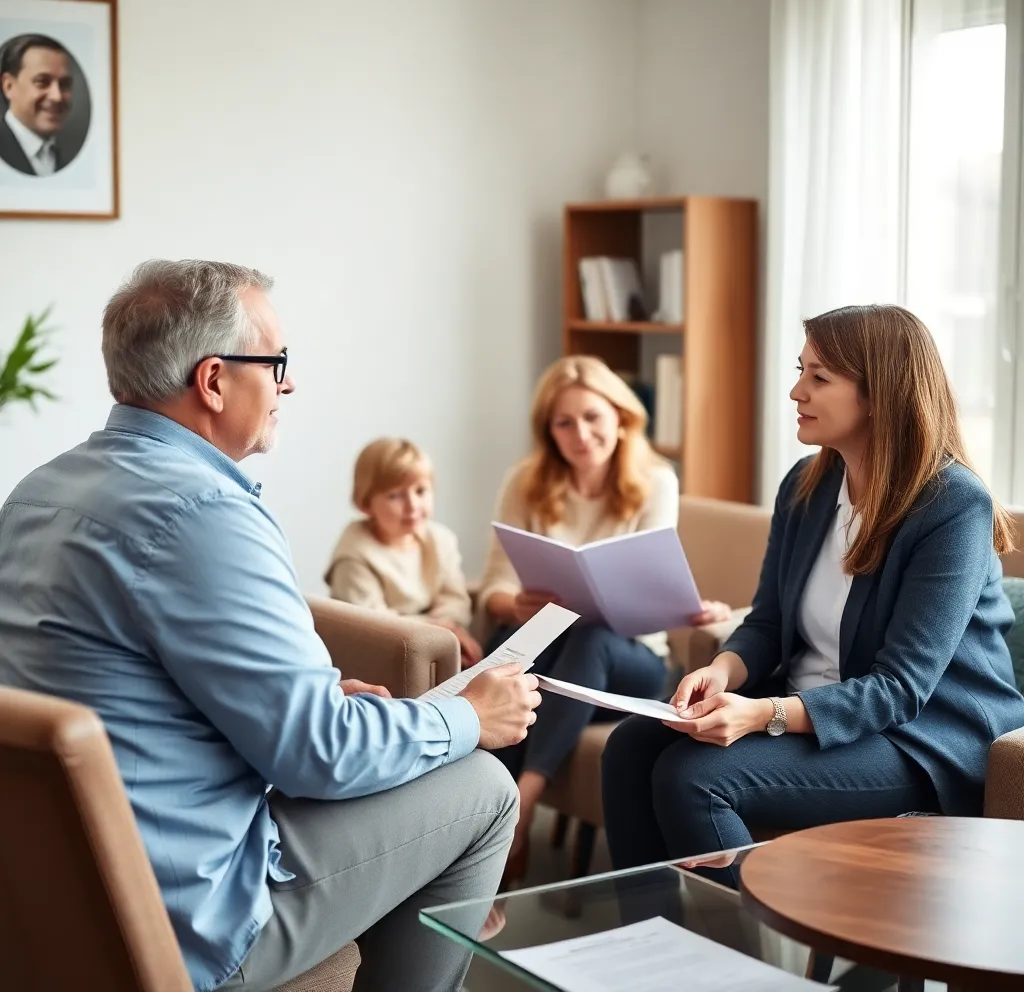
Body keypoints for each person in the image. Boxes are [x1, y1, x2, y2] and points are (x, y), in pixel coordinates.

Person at [0, 259, 542, 992]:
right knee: (483, 786)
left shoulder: (38, 492)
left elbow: (125, 684)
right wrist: (471, 716)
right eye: (277, 364)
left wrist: (313, 700)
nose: (288, 386)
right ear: (214, 380)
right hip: (185, 923)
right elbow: (319, 755)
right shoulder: (203, 515)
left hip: (50, 898)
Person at [602, 304, 1024, 883]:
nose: (796, 391)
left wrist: (762, 714)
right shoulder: (806, 485)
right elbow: (767, 621)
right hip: (813, 702)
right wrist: (722, 671)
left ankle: (754, 943)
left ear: (879, 395)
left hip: (919, 736)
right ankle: (649, 932)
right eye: (800, 370)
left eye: (820, 378)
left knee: (693, 778)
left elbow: (900, 689)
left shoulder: (951, 505)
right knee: (630, 747)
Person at [477, 354, 731, 884]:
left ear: (620, 417)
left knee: (589, 635)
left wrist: (694, 608)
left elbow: (653, 586)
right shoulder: (525, 481)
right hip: (553, 650)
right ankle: (491, 822)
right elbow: (494, 586)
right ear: (548, 430)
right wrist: (515, 604)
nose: (581, 434)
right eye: (564, 422)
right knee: (528, 640)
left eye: (593, 417)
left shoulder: (655, 481)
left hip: (632, 660)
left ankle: (520, 803)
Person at [325, 437, 482, 667]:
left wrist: (448, 626)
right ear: (365, 503)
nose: (412, 506)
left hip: (434, 640)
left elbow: (455, 598)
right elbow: (372, 626)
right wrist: (434, 626)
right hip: (377, 655)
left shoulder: (440, 540)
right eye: (395, 495)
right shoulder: (354, 555)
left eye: (420, 491)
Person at [0, 34, 79, 176]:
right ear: (9, 86)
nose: (57, 96)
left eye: (64, 84)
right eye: (42, 82)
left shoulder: (70, 156)